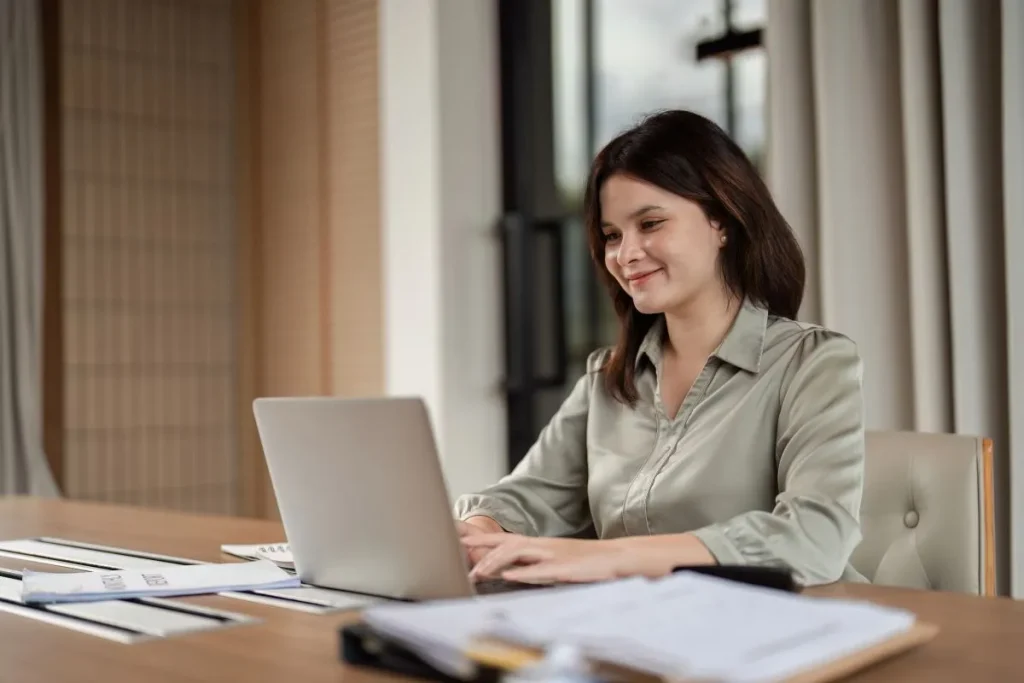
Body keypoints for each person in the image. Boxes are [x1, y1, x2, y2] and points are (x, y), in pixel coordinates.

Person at [454, 109, 867, 588]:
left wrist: (614, 558)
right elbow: (528, 497)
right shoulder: (608, 379)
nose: (625, 254)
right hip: (644, 632)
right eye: (611, 235)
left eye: (650, 223)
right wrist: (475, 534)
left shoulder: (813, 364)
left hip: (794, 636)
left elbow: (814, 539)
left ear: (722, 222)